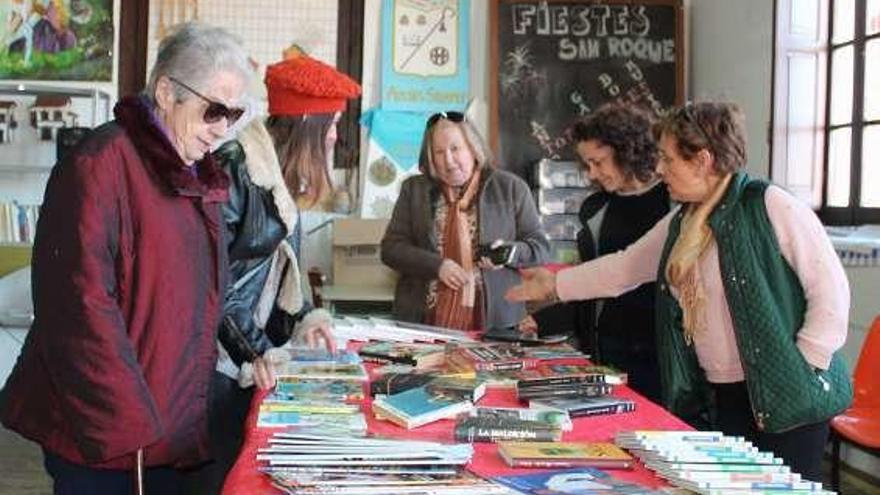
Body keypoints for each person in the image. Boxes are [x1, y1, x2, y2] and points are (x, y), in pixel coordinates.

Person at [507, 102, 852, 482]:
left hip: (787, 390)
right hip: (725, 394)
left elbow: (831, 293)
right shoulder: (684, 219)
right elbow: (624, 268)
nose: (660, 170)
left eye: (669, 160)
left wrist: (802, 366)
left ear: (702, 160)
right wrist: (554, 284)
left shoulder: (768, 204)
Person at [0, 22, 252, 494]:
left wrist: (254, 352)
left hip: (168, 436)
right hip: (106, 442)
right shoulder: (99, 165)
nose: (222, 129)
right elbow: (79, 308)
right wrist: (134, 427)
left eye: (234, 115)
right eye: (213, 110)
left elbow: (212, 289)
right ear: (165, 91)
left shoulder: (200, 175)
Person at [191, 47, 360, 494]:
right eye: (332, 127)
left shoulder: (277, 179)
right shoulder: (234, 172)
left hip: (245, 360)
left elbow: (277, 274)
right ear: (308, 126)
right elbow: (213, 286)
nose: (334, 139)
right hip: (216, 370)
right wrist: (258, 352)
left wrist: (305, 318)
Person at [381, 111, 550, 332]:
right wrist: (437, 266)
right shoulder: (414, 190)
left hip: (496, 322)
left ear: (473, 148)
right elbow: (391, 249)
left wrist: (510, 252)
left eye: (455, 149)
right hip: (423, 322)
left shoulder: (510, 188)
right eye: (439, 152)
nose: (448, 161)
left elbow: (541, 248)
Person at [571, 103, 669, 402]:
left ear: (627, 150)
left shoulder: (672, 202)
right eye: (587, 164)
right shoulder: (594, 208)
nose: (591, 174)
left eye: (599, 162)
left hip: (660, 358)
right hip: (603, 352)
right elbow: (588, 281)